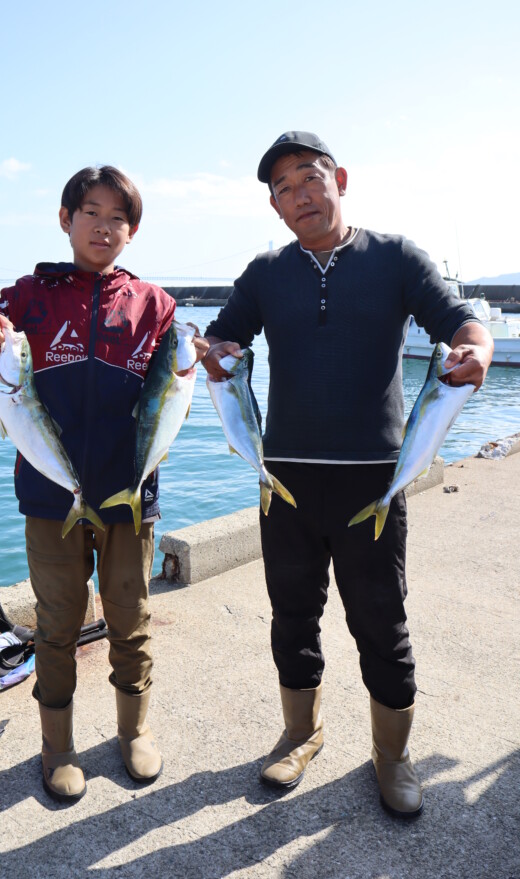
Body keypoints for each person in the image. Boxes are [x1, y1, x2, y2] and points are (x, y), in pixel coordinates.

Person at [202, 132, 493, 817]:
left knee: (381, 621)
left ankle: (392, 755)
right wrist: (211, 354)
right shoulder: (266, 272)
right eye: (283, 188)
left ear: (341, 180)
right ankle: (301, 733)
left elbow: (460, 322)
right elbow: (225, 337)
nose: (299, 195)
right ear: (273, 207)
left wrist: (474, 351)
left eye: (310, 178)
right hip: (287, 481)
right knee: (292, 616)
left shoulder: (396, 257)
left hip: (372, 479)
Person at [0, 165, 207, 803]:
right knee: (56, 624)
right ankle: (57, 746)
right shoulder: (27, 297)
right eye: (90, 211)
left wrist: (214, 363)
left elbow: (177, 390)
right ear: (66, 219)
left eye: (118, 217)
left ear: (132, 231)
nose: (103, 226)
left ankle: (132, 731)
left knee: (131, 618)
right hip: (48, 498)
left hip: (128, 497)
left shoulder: (154, 304)